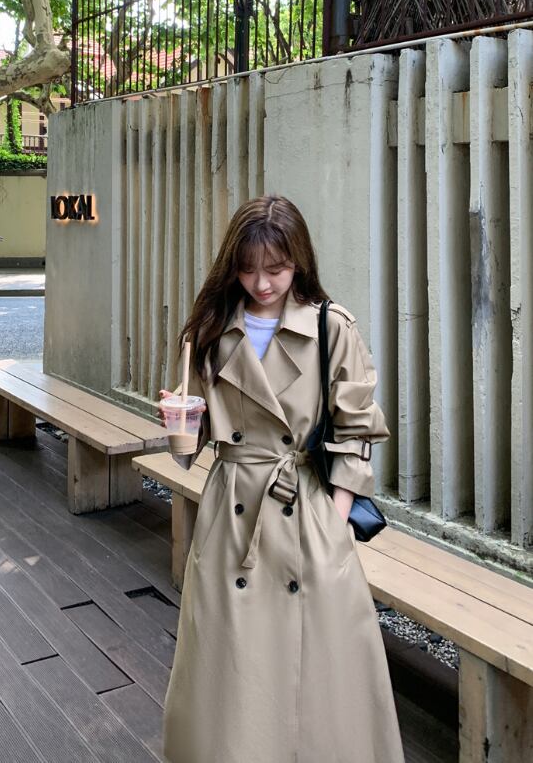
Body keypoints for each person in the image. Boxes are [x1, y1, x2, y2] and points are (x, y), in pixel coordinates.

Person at [160, 195, 405, 763]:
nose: (262, 283)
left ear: (299, 261)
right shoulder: (209, 327)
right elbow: (192, 446)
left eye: (276, 268)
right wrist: (181, 420)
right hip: (233, 512)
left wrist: (335, 521)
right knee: (229, 665)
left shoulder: (331, 326)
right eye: (248, 269)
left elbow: (356, 432)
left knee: (323, 673)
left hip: (309, 513)